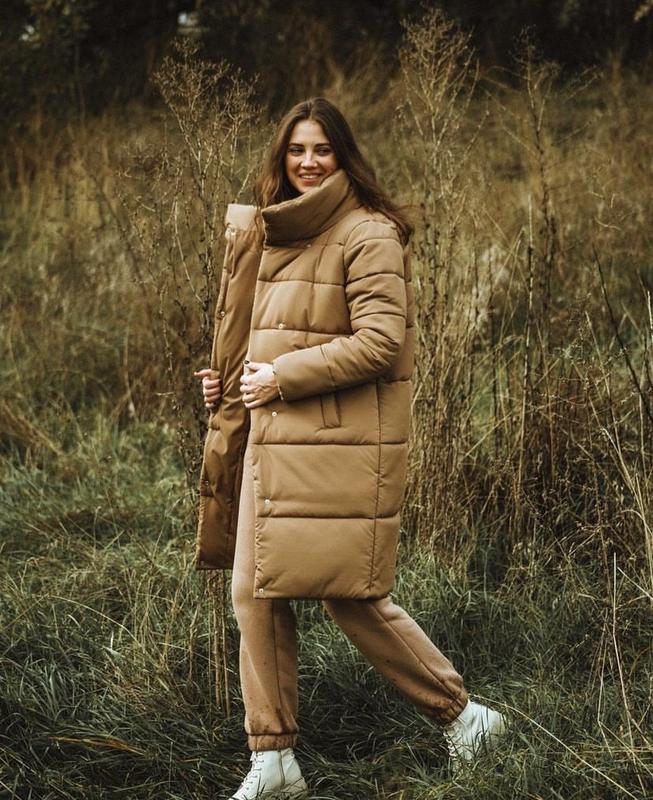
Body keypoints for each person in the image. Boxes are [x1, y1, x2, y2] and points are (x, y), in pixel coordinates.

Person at [193, 97, 506, 800]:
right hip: (275, 436)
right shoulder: (278, 227)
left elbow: (380, 342)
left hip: (335, 441)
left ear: (344, 155)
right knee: (254, 593)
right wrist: (229, 379)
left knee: (348, 594)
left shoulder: (368, 232)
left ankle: (463, 717)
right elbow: (268, 334)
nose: (307, 162)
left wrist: (281, 376)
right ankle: (274, 759)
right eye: (295, 150)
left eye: (322, 150)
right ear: (280, 157)